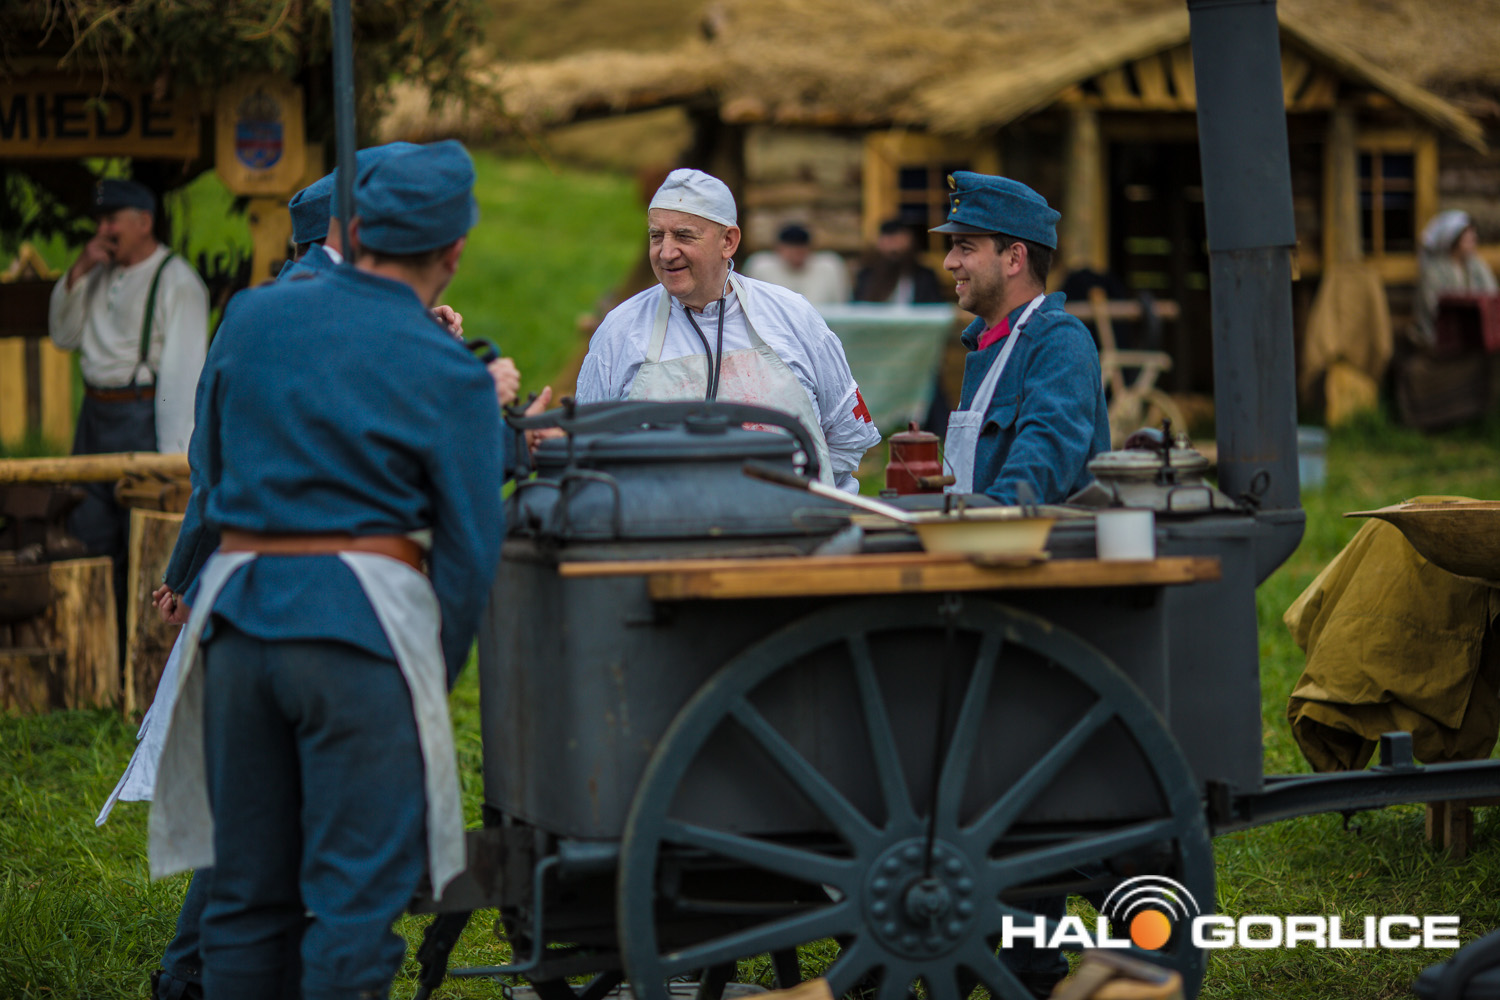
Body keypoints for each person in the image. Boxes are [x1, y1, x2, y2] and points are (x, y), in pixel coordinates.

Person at [134, 151, 522, 1000]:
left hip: (237, 630)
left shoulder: (251, 318)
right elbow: (468, 553)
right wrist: (424, 674)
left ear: (353, 233)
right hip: (358, 640)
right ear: (453, 252)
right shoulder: (447, 367)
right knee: (353, 908)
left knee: (244, 901)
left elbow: (214, 468)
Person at [575, 168, 880, 492]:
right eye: (656, 236)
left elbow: (847, 434)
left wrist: (799, 498)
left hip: (790, 518)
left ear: (728, 241)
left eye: (683, 236)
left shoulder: (792, 317)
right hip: (659, 521)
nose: (666, 252)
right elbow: (584, 447)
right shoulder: (621, 330)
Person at [48, 178, 210, 637]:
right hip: (95, 418)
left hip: (142, 419)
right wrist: (79, 269)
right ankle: (95, 648)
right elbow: (62, 335)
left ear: (144, 222)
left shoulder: (177, 281)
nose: (103, 230)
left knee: (141, 542)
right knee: (89, 538)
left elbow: (181, 376)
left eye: (112, 220)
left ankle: (138, 650)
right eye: (100, 220)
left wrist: (174, 461)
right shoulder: (96, 273)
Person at [933, 171, 1110, 505]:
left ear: (1014, 258)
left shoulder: (1059, 343)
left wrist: (974, 520)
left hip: (1036, 539)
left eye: (965, 248)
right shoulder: (988, 343)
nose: (949, 262)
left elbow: (1037, 474)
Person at [1413, 209, 1499, 347]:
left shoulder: (1476, 266)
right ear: (1453, 239)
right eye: (1468, 236)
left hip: (1476, 337)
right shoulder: (1434, 272)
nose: (1473, 240)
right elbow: (1433, 310)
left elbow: (1492, 296)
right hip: (1442, 339)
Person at [744, 222, 850, 304]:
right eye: (791, 249)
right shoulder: (761, 267)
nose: (796, 254)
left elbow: (842, 305)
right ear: (779, 249)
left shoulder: (829, 267)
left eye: (800, 250)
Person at [852, 218, 945, 305]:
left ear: (910, 242)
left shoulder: (925, 277)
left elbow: (934, 309)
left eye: (897, 241)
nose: (893, 247)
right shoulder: (865, 277)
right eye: (888, 241)